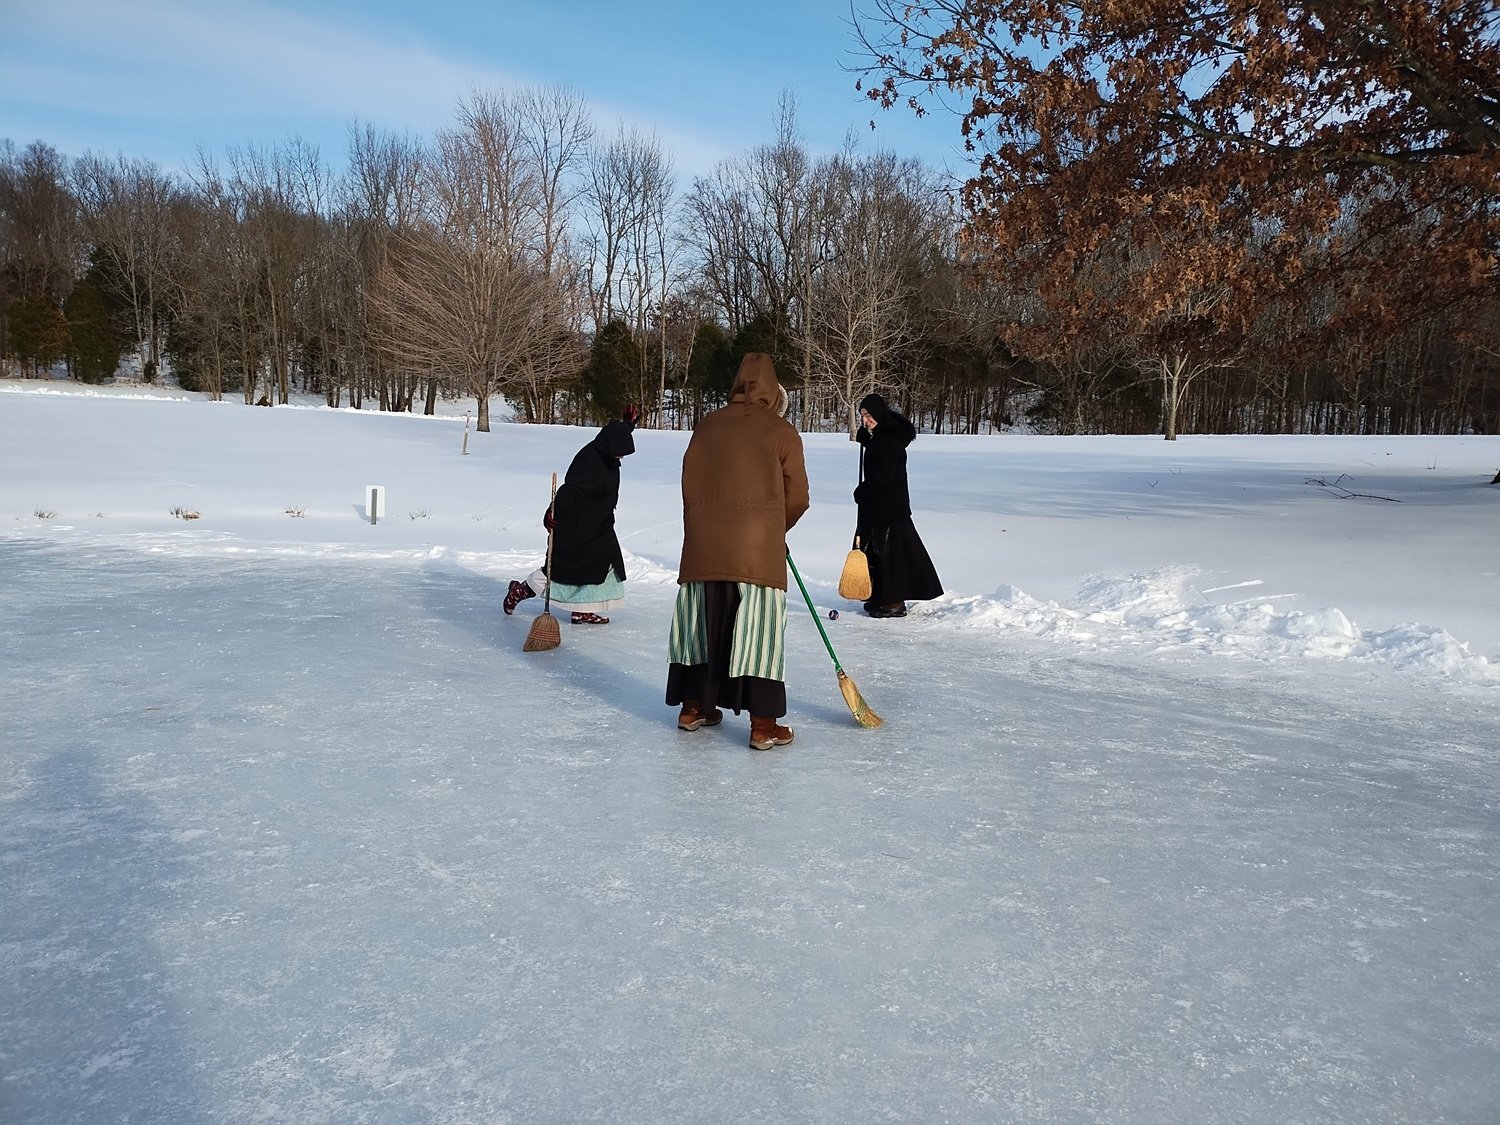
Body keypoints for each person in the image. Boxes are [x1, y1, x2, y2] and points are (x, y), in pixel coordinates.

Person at [666, 353, 810, 750]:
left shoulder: (707, 425)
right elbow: (797, 496)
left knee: (702, 628)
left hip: (703, 548)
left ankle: (693, 708)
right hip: (756, 552)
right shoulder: (781, 432)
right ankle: (763, 726)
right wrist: (771, 530)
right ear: (773, 391)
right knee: (757, 635)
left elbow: (689, 484)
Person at [504, 406, 638, 625]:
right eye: (619, 452)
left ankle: (583, 610)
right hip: (576, 526)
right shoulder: (589, 462)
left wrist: (628, 426)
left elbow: (615, 436)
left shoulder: (607, 449)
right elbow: (568, 492)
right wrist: (551, 512)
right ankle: (519, 590)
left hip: (599, 524)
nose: (621, 456)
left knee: (603, 565)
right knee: (561, 570)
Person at [853, 392, 943, 618]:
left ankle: (893, 602)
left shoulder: (889, 441)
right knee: (876, 551)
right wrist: (869, 441)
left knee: (891, 554)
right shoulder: (881, 438)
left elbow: (884, 476)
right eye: (863, 416)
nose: (865, 420)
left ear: (879, 414)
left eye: (869, 415)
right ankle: (879, 596)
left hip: (890, 507)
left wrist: (863, 490)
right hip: (880, 506)